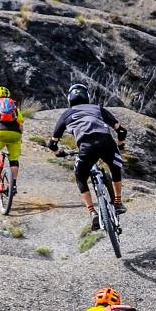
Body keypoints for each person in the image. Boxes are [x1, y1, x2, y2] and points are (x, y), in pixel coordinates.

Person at [48, 84, 126, 228]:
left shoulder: (67, 114)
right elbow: (121, 131)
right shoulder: (98, 109)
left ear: (70, 99)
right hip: (107, 143)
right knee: (115, 169)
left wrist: (58, 153)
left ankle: (92, 212)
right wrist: (120, 145)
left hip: (86, 147)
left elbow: (52, 143)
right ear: (87, 97)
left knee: (80, 177)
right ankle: (118, 202)